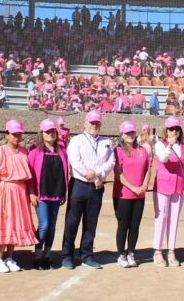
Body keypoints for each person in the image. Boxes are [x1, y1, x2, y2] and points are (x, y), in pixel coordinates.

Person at [0, 120, 38, 273]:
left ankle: (10, 257)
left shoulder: (24, 152)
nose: (17, 137)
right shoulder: (0, 151)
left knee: (16, 223)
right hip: (6, 189)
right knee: (5, 223)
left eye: (19, 134)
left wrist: (31, 193)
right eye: (14, 134)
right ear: (7, 135)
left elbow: (28, 177)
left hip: (20, 191)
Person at [61, 110, 115, 269]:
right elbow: (75, 163)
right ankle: (67, 255)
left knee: (91, 223)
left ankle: (87, 255)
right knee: (72, 222)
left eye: (97, 123)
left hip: (97, 187)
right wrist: (93, 176)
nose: (94, 125)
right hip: (79, 184)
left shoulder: (107, 142)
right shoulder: (77, 140)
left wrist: (97, 175)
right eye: (92, 122)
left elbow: (111, 162)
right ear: (85, 123)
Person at [28, 119, 69, 270]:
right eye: (47, 131)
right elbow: (30, 174)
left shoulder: (61, 149)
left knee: (52, 227)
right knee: (44, 225)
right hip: (41, 194)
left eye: (52, 131)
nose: (51, 134)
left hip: (56, 193)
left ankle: (47, 256)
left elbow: (65, 172)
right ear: (42, 133)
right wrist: (31, 193)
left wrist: (64, 191)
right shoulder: (35, 150)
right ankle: (37, 256)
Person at [152, 116, 184, 267]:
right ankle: (157, 251)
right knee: (161, 217)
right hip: (163, 186)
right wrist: (170, 145)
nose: (174, 131)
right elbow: (163, 159)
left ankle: (171, 250)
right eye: (171, 129)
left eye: (176, 129)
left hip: (178, 186)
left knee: (174, 219)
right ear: (166, 130)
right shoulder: (160, 145)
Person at [113, 120, 151, 268]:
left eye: (132, 132)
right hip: (123, 194)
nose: (130, 135)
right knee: (123, 225)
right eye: (127, 133)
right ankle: (121, 254)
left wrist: (144, 185)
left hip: (139, 195)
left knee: (135, 226)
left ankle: (131, 253)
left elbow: (148, 168)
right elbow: (118, 173)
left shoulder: (143, 150)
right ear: (122, 135)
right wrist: (132, 187)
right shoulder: (118, 151)